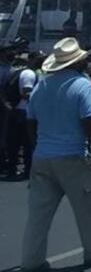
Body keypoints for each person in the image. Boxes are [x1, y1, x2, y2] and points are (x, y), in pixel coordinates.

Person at [14, 38, 91, 272]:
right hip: (72, 155)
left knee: (38, 214)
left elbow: (31, 121)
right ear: (76, 62)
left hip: (43, 156)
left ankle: (31, 260)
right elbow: (89, 121)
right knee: (88, 207)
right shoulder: (81, 85)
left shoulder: (41, 86)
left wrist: (37, 146)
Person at [6, 51, 43, 180]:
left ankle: (14, 170)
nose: (42, 61)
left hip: (19, 111)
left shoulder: (22, 72)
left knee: (15, 143)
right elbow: (26, 93)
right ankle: (27, 171)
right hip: (24, 112)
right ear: (32, 59)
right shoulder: (29, 74)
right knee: (28, 143)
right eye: (39, 59)